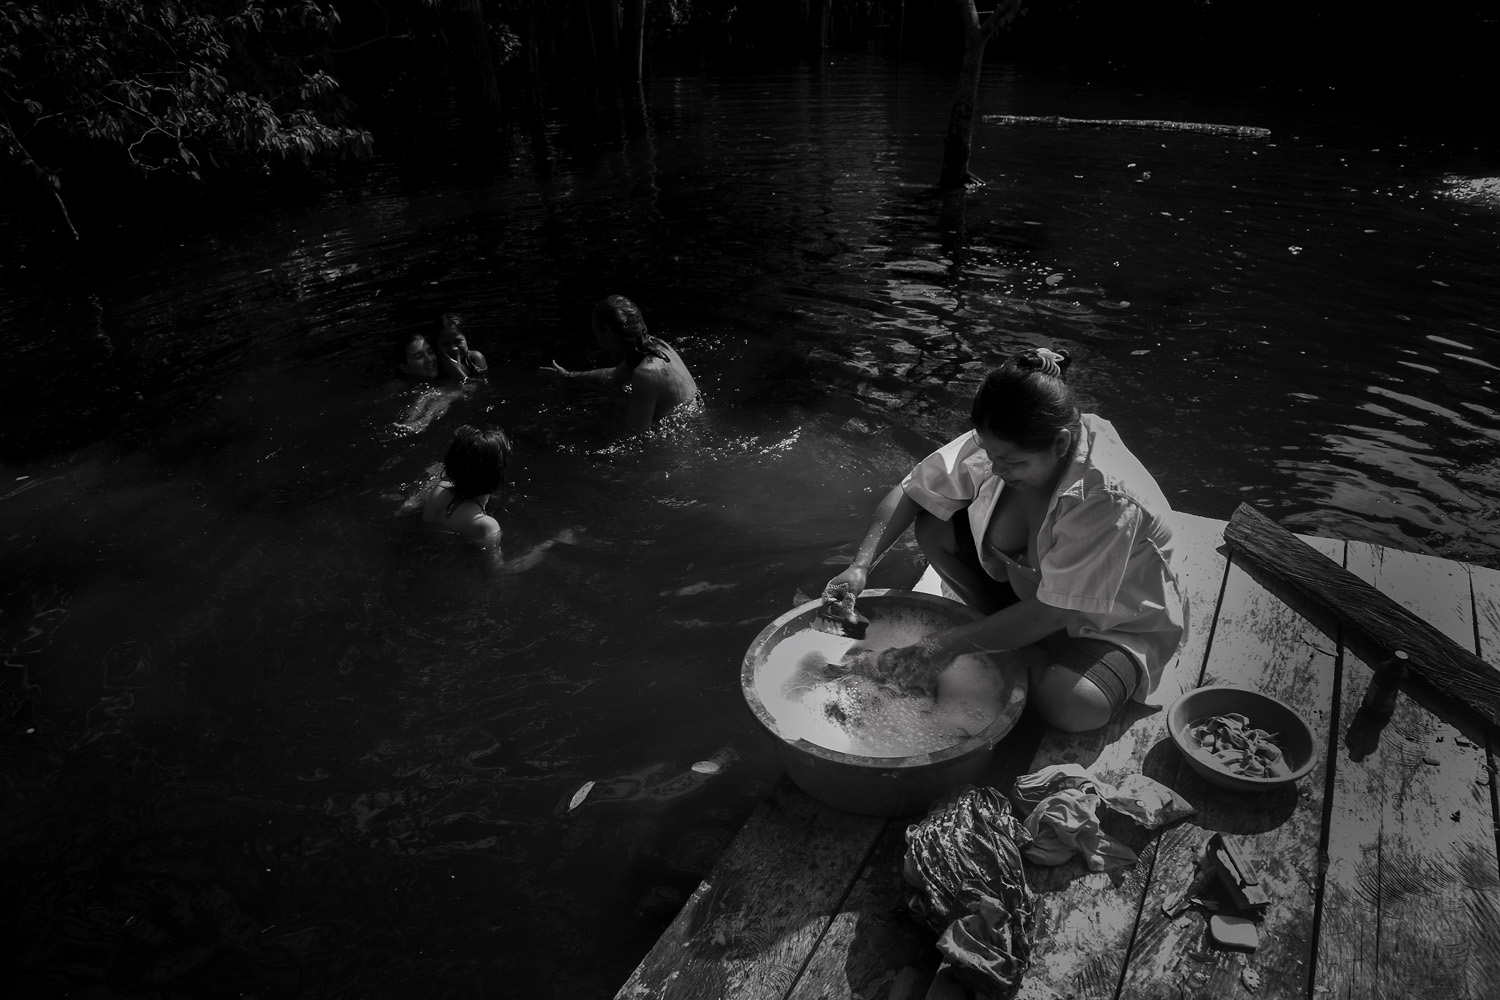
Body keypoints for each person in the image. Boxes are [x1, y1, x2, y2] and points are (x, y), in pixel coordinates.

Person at [823, 348, 1187, 733]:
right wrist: (860, 566)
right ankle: (1007, 637)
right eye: (990, 454)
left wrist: (944, 645)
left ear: (1061, 444)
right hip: (1032, 591)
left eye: (1013, 463)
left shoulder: (1106, 497)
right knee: (933, 525)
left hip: (1108, 620)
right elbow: (912, 491)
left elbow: (1054, 612)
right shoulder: (1004, 439)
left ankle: (1019, 647)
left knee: (1075, 706)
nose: (996, 469)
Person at [541, 295, 698, 433]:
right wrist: (569, 375)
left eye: (595, 330)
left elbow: (637, 435)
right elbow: (616, 375)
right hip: (693, 419)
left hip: (684, 432)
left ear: (607, 332)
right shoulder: (654, 345)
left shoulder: (646, 374)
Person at [422, 423, 511, 549]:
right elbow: (496, 562)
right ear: (498, 472)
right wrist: (537, 552)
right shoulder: (486, 526)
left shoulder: (439, 489)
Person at [436, 312, 488, 383]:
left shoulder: (474, 358)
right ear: (437, 346)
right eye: (445, 344)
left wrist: (459, 374)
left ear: (467, 339)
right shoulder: (437, 364)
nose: (453, 348)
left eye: (458, 341)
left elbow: (484, 384)